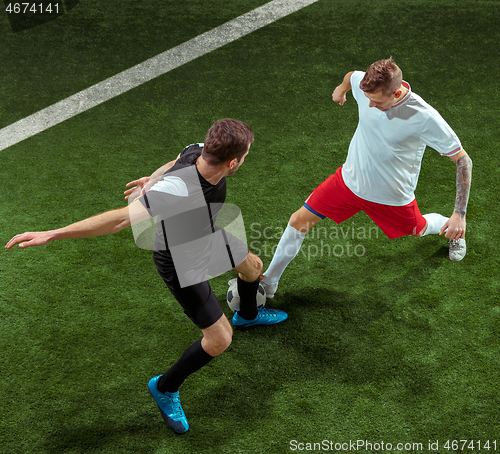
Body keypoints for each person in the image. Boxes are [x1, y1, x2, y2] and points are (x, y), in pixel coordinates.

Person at [5, 118, 287, 434]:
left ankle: (247, 315)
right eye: (246, 156)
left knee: (253, 267)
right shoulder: (180, 189)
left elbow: (176, 160)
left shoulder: (199, 150)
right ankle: (165, 387)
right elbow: (119, 221)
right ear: (233, 162)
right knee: (219, 339)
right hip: (180, 259)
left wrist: (152, 181)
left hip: (205, 234)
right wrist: (54, 234)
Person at [261, 58, 472, 298]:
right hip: (348, 182)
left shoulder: (424, 117)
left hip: (391, 197)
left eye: (376, 101)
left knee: (419, 229)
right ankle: (269, 282)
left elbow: (463, 160)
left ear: (397, 92)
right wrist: (341, 90)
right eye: (367, 98)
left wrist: (459, 214)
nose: (369, 105)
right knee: (298, 220)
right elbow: (351, 76)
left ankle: (455, 230)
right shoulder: (366, 88)